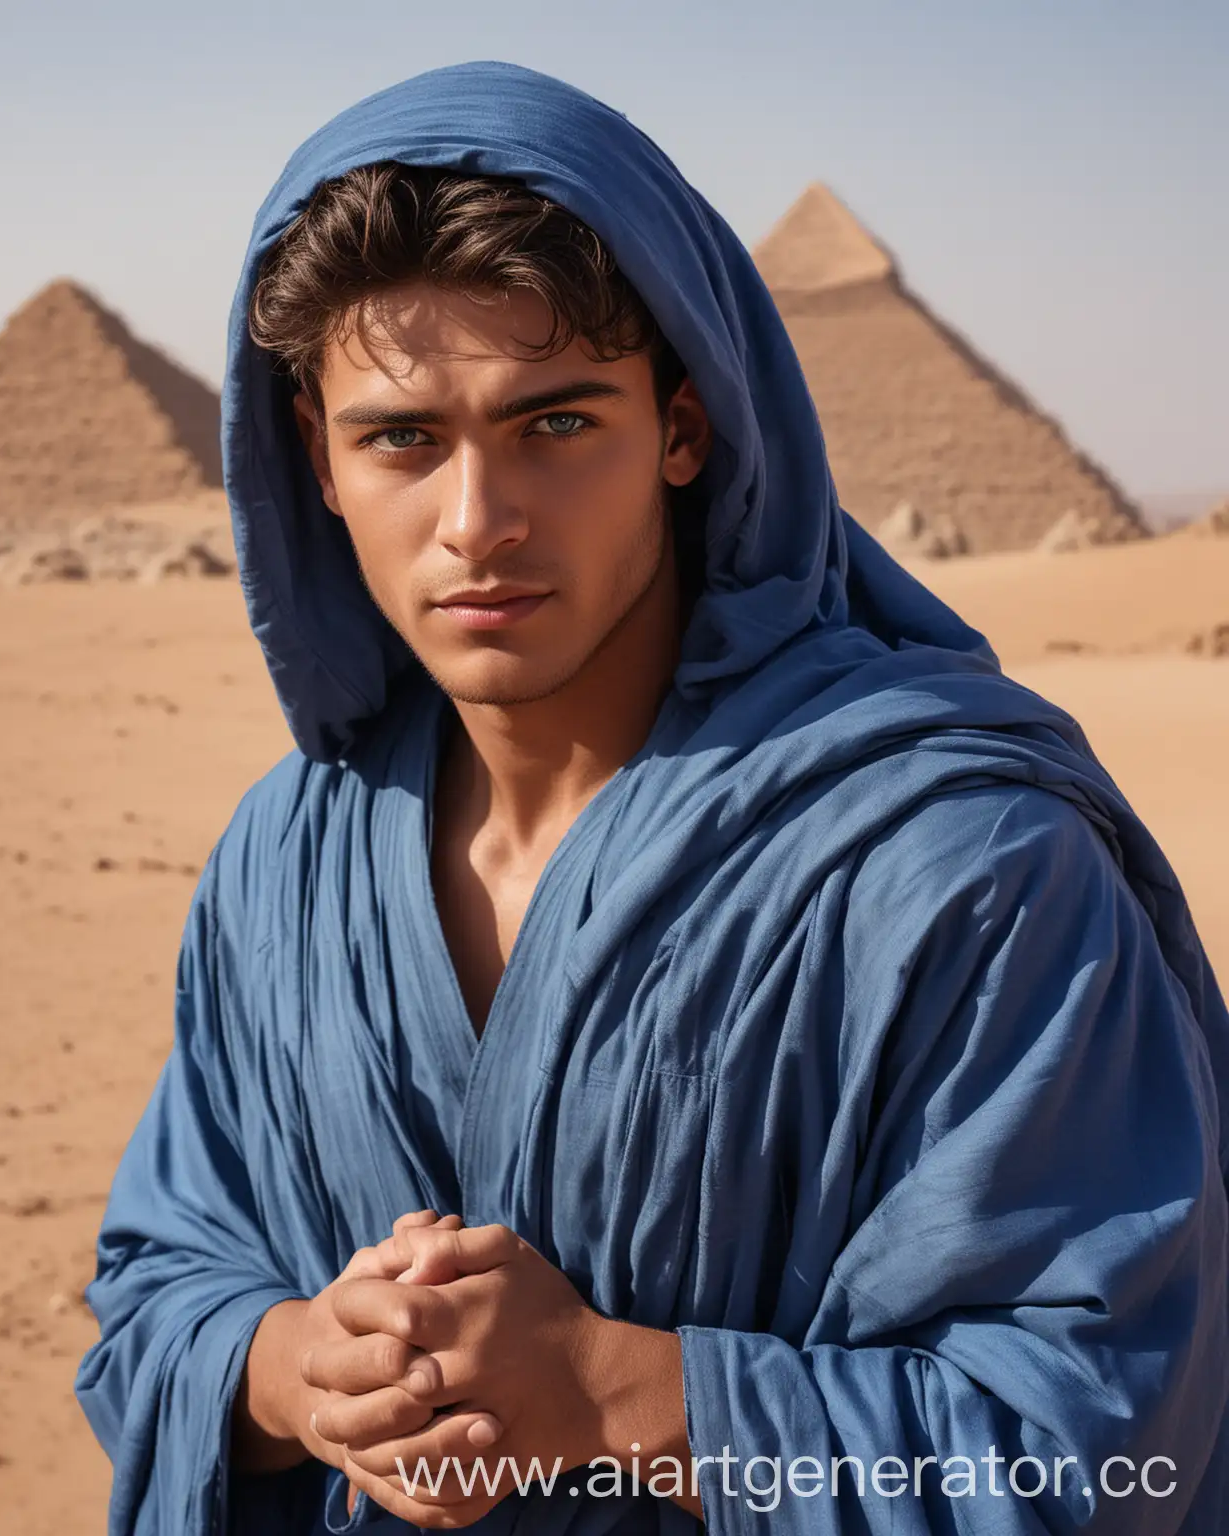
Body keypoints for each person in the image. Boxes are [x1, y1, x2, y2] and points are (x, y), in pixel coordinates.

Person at [74, 61, 1229, 1536]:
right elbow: (156, 1286)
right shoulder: (281, 870)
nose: (478, 523)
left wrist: (612, 1391)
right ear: (315, 457)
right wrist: (293, 1368)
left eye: (557, 425)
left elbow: (1096, 1442)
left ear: (683, 430)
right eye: (402, 439)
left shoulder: (960, 872)